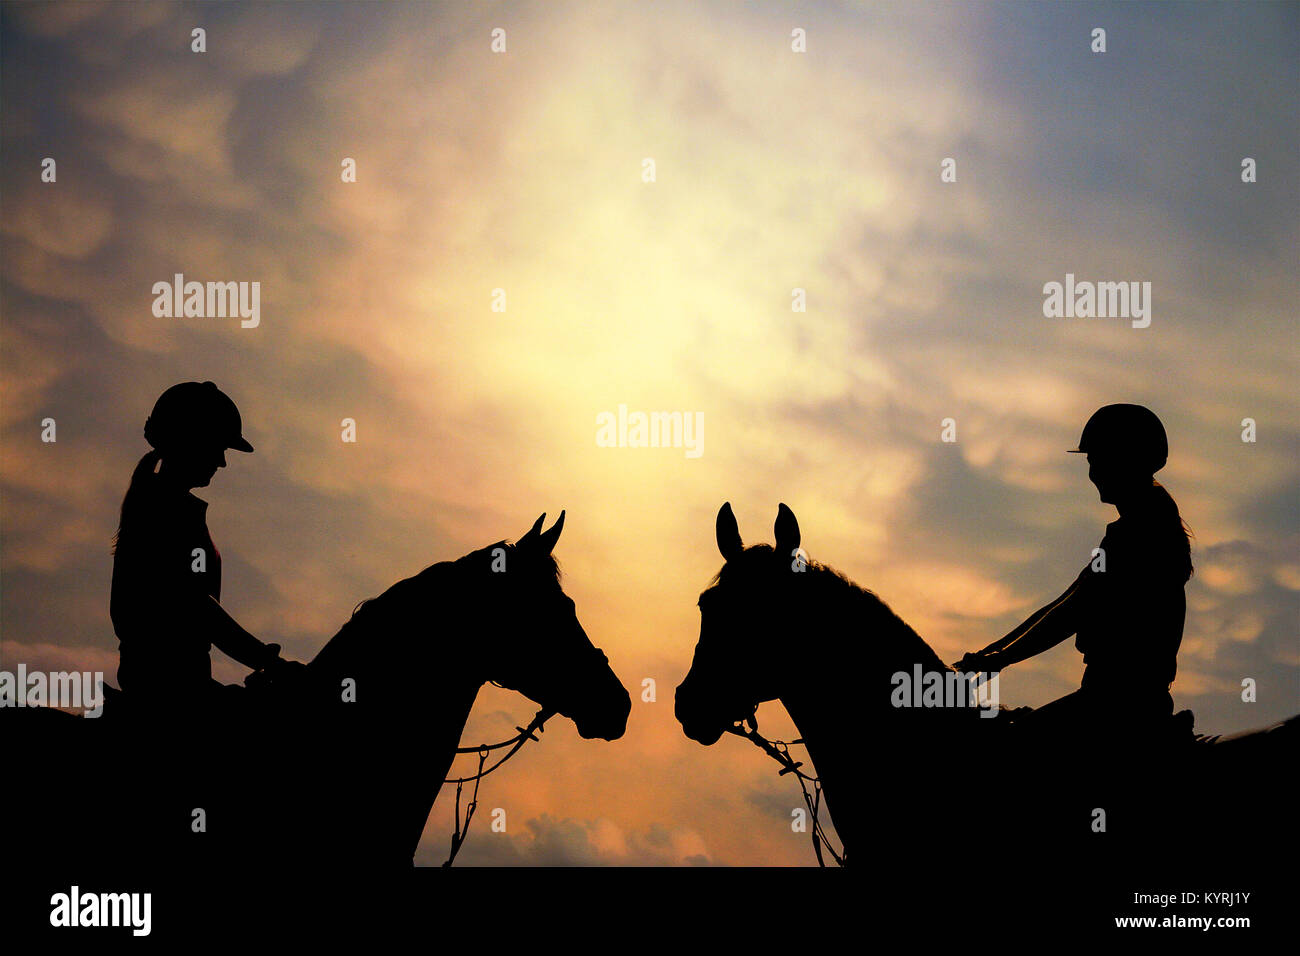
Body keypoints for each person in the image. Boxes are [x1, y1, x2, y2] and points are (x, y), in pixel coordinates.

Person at [954, 404, 1194, 748]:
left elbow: (1071, 613)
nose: (1092, 472)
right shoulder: (1140, 529)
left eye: (1096, 460)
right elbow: (1066, 600)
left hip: (1114, 705)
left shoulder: (1135, 537)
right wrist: (993, 652)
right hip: (1125, 700)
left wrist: (1002, 659)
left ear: (1123, 460)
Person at [110, 381, 292, 717]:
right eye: (218, 447)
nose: (222, 462)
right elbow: (196, 607)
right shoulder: (164, 510)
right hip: (170, 696)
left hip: (176, 688)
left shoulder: (161, 504)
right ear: (192, 441)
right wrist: (267, 660)